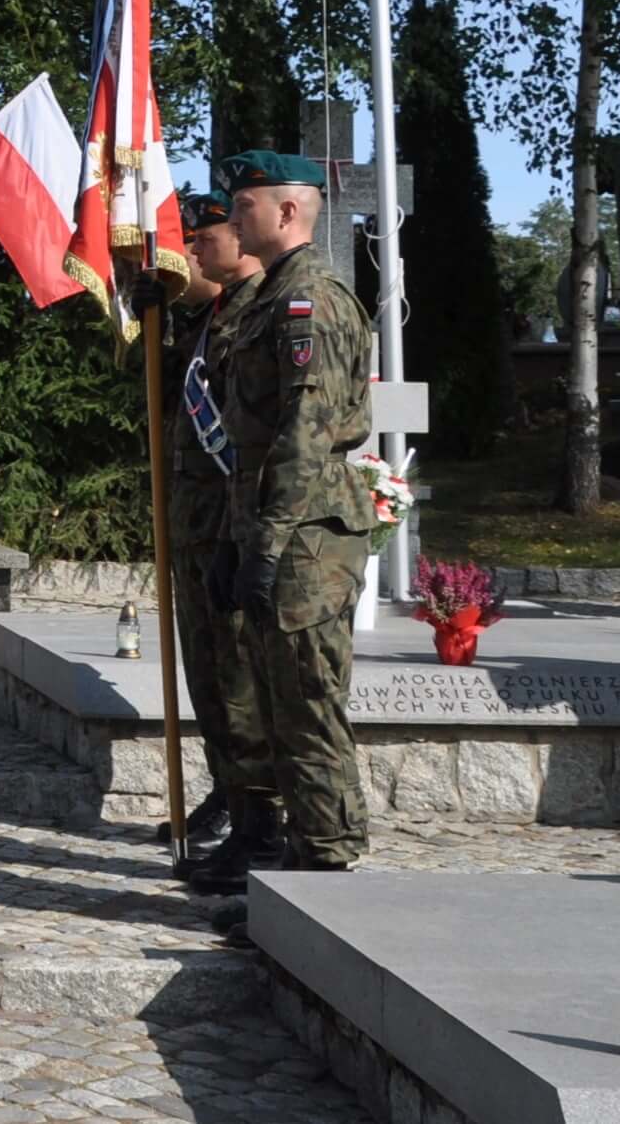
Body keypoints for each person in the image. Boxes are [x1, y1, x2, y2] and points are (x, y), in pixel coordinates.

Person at [210, 150, 377, 915]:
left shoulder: (310, 299)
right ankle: (293, 883)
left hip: (306, 534)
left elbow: (306, 434)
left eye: (244, 204)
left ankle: (324, 888)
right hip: (273, 523)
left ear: (286, 212)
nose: (232, 216)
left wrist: (267, 540)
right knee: (276, 704)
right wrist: (236, 537)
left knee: (307, 706)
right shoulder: (267, 298)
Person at [169, 191, 281, 896]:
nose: (191, 251)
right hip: (196, 521)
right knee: (208, 677)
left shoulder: (259, 310)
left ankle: (258, 823)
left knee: (239, 681)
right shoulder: (207, 318)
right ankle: (228, 793)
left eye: (201, 237)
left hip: (231, 521)